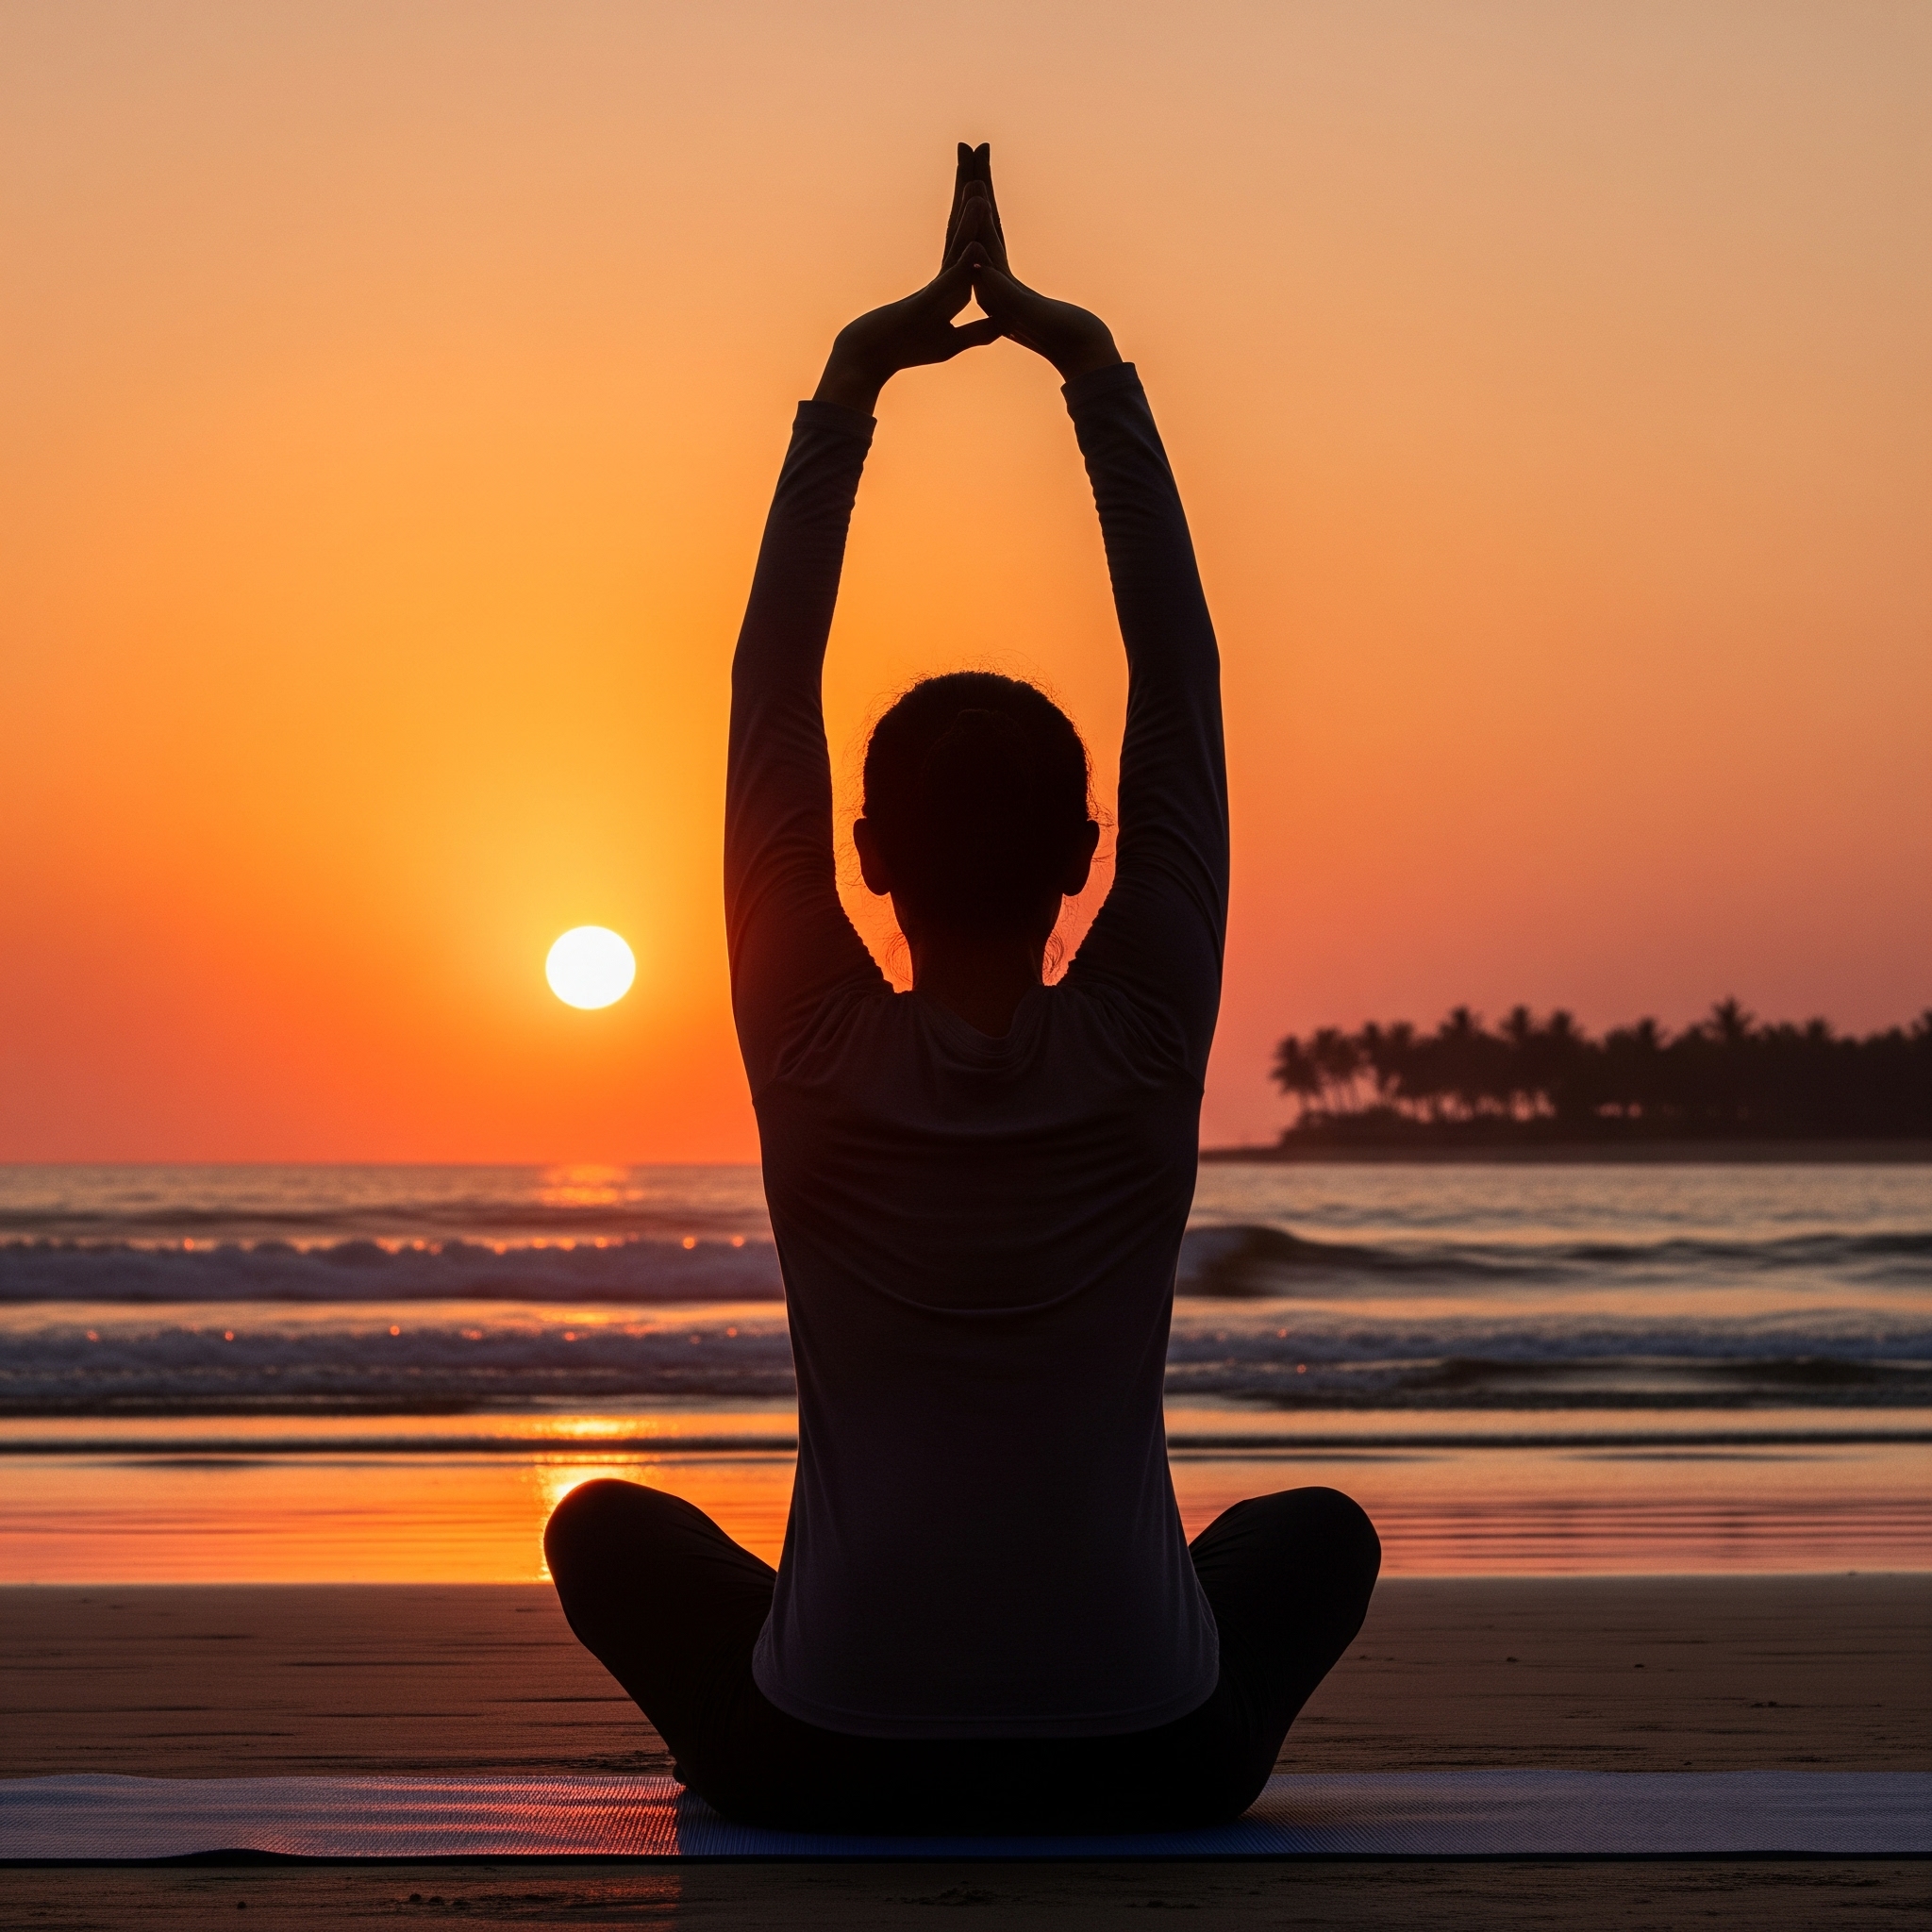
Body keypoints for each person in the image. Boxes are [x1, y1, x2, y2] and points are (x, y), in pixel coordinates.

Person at [545, 144, 1379, 1835]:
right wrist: (1091, 371)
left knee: (602, 1530)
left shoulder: (809, 1038)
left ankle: (856, 1662)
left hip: (829, 1756)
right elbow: (1183, 678)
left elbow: (770, 684)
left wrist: (852, 387)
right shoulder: (1144, 1033)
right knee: (1315, 1540)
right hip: (1153, 1758)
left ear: (865, 858)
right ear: (1087, 857)